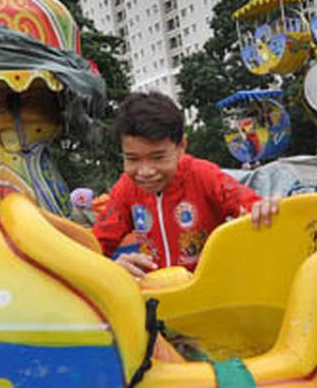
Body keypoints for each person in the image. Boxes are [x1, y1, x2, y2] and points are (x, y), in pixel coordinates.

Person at [93, 92, 280, 278]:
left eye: (158, 157)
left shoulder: (204, 176)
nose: (145, 171)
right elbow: (94, 247)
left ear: (181, 146)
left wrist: (265, 208)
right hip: (158, 297)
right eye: (132, 158)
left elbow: (251, 207)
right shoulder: (126, 189)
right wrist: (113, 268)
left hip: (208, 292)